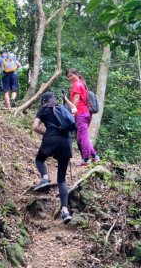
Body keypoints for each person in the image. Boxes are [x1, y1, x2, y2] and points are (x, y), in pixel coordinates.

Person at [32, 92, 78, 224]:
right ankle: (65, 211)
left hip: (51, 139)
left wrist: (46, 133)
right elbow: (75, 110)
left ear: (44, 101)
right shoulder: (63, 108)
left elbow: (35, 127)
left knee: (40, 159)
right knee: (62, 179)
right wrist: (65, 99)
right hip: (66, 142)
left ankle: (45, 178)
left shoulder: (44, 109)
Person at [64, 68, 99, 167]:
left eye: (71, 75)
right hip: (84, 114)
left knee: (83, 137)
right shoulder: (81, 84)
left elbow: (76, 98)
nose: (70, 78)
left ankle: (86, 159)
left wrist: (72, 112)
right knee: (80, 138)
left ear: (76, 74)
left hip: (81, 113)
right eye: (68, 77)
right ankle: (95, 156)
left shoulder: (77, 84)